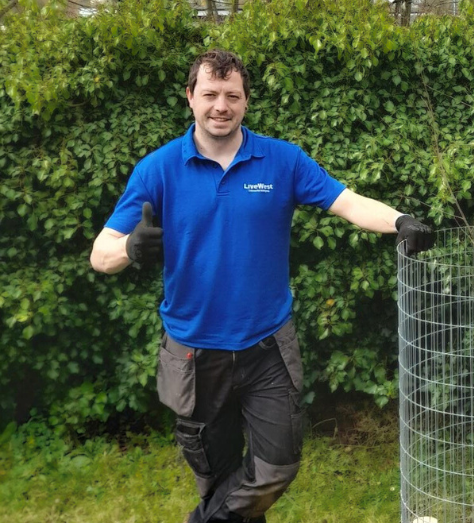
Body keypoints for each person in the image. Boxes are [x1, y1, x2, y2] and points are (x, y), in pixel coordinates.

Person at [90, 49, 434, 523]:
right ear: (190, 97)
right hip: (193, 352)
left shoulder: (281, 160)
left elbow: (346, 202)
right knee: (216, 473)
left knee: (276, 467)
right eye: (209, 94)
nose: (220, 106)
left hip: (267, 345)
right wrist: (131, 248)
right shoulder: (158, 169)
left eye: (232, 95)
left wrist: (399, 220)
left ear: (246, 102)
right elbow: (99, 253)